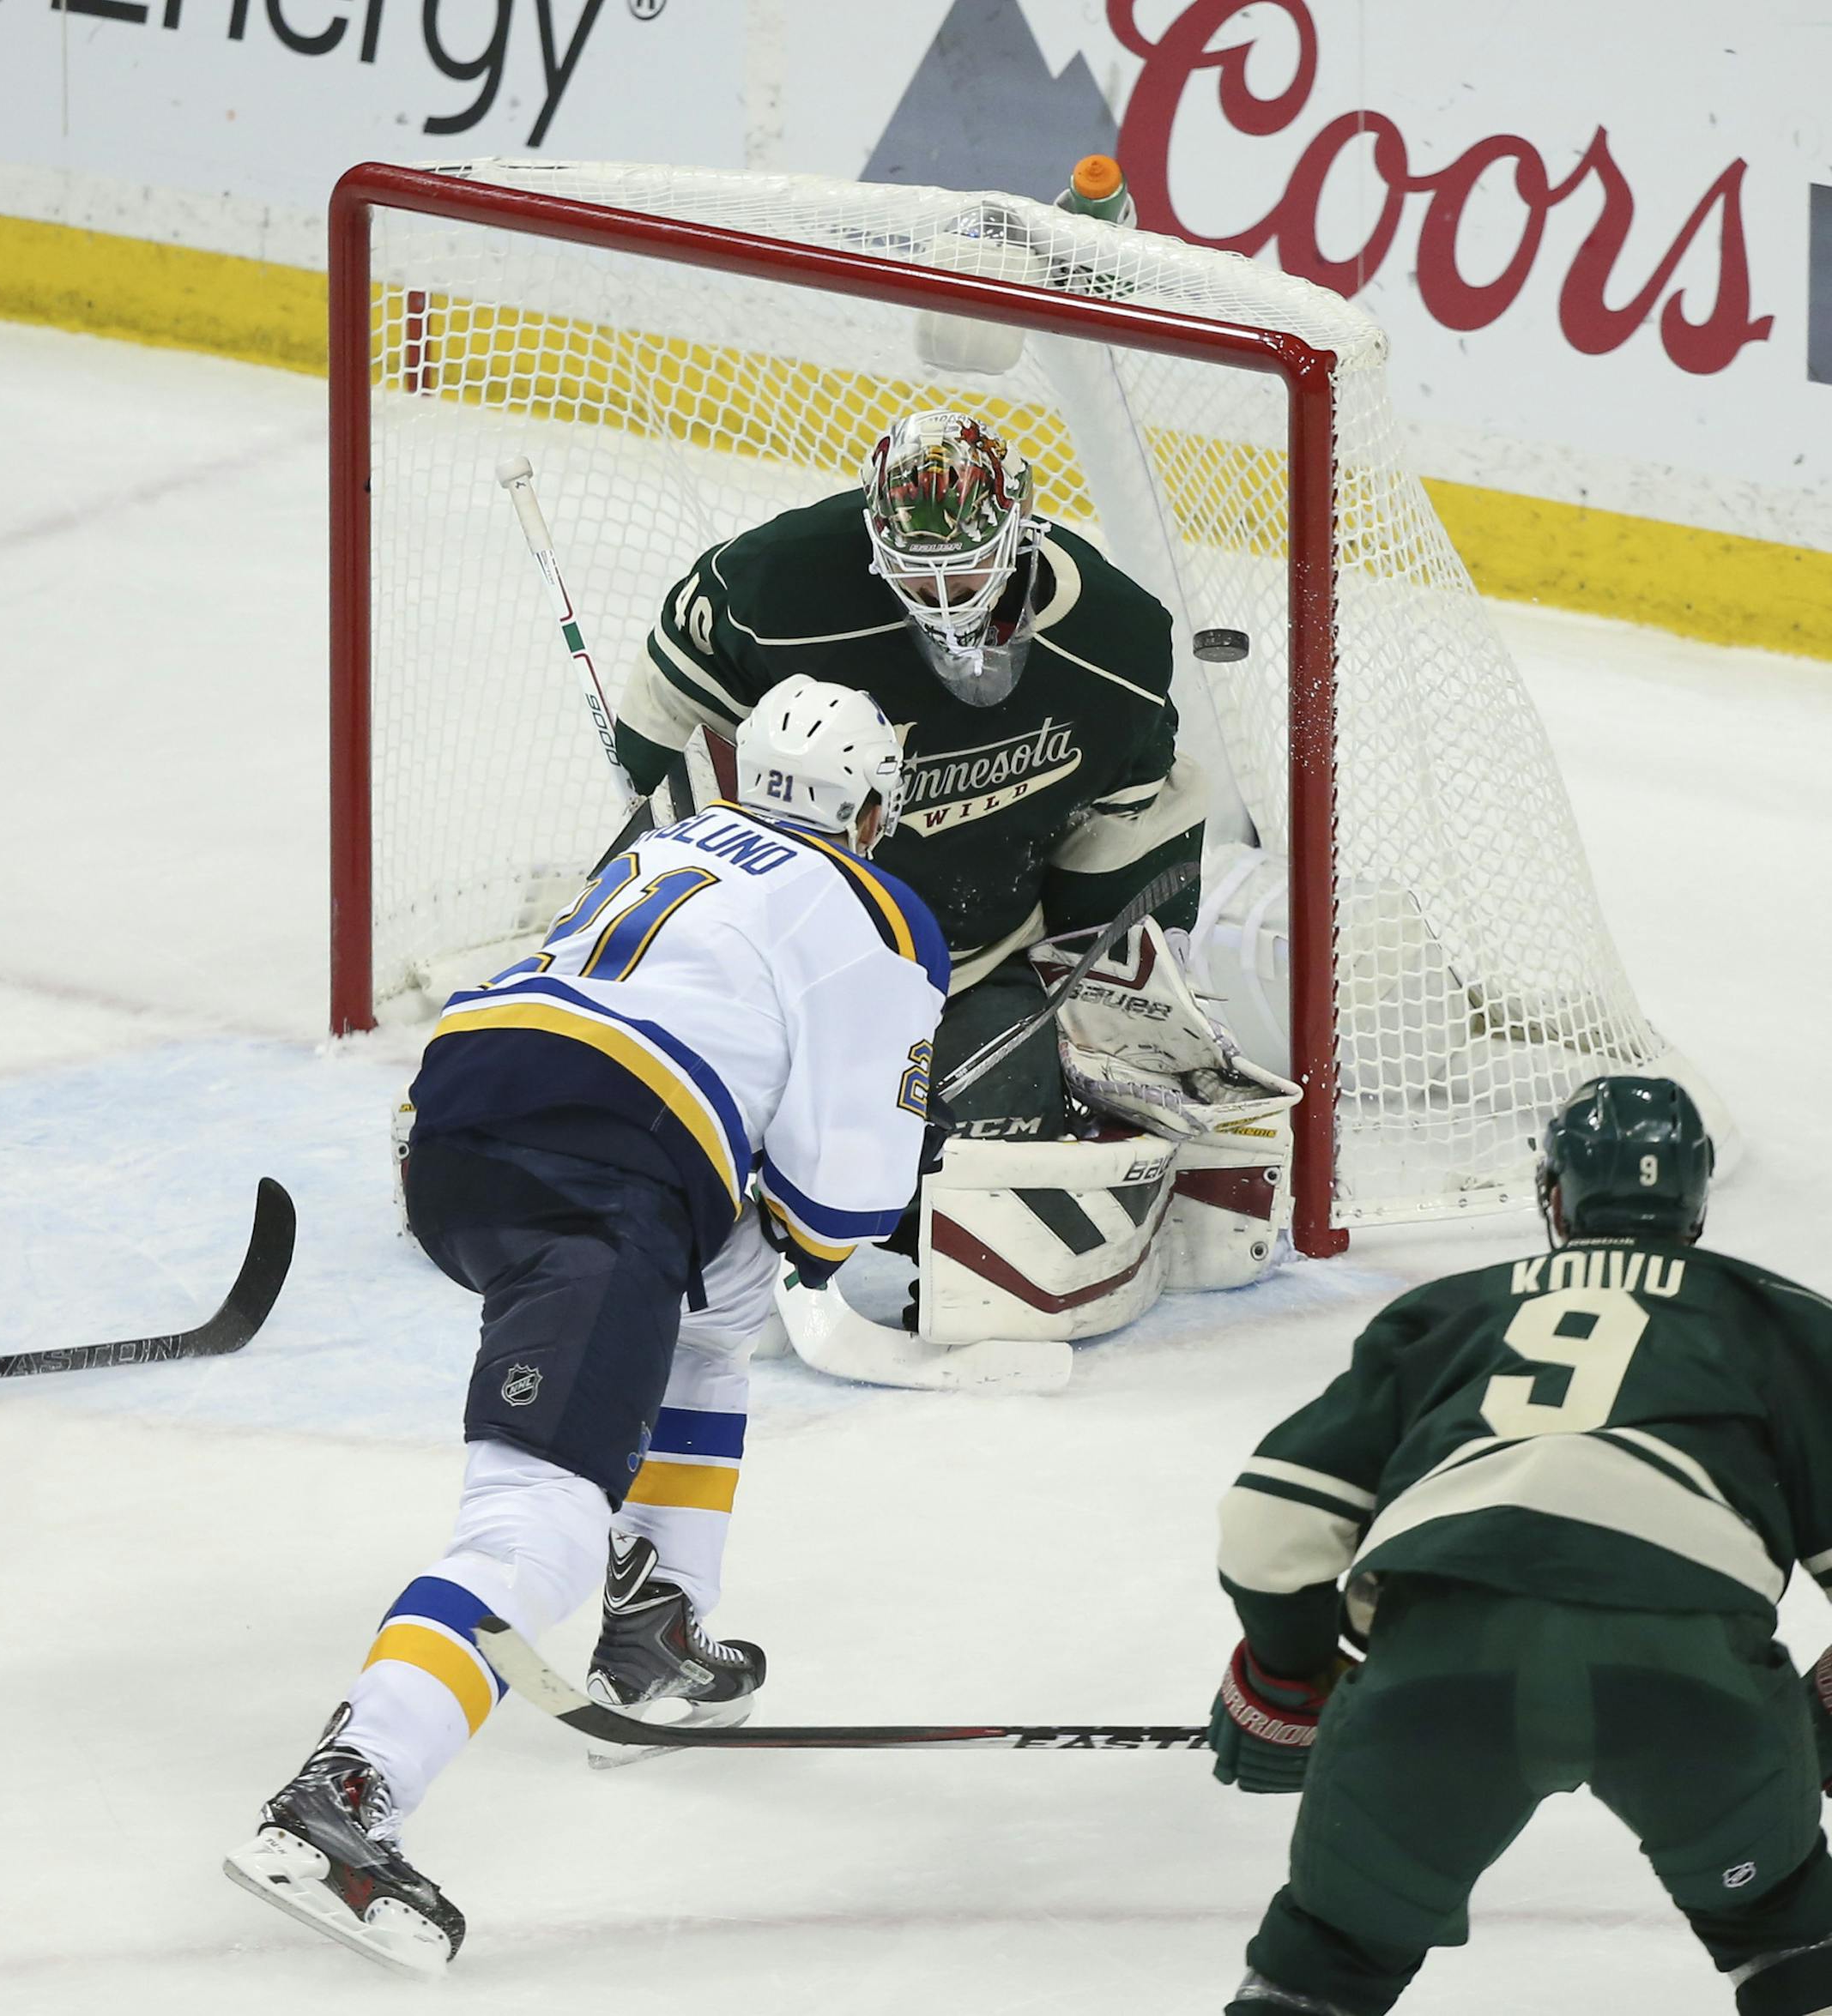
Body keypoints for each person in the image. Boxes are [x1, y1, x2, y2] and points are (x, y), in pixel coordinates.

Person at [224, 677, 949, 1976]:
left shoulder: (669, 839)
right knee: (540, 1516)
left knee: (714, 1305)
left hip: (456, 1116)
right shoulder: (876, 907)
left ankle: (657, 1622)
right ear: (875, 802)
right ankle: (344, 1793)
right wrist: (803, 1210)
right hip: (600, 1161)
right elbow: (843, 1202)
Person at [1209, 1075, 1832, 2016]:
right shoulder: (1779, 1318)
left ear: (1553, 1192)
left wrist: (1292, 1676)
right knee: (1800, 1945)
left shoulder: (1449, 1313)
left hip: (1438, 1668)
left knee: (1321, 1970)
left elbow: (1271, 1524)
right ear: (1698, 1198)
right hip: (1693, 1670)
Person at [614, 405, 1207, 1146]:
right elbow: (678, 701)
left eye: (966, 565)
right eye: (916, 575)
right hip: (777, 955)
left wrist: (1108, 999)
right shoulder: (783, 581)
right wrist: (664, 878)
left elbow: (1128, 825)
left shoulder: (1116, 641)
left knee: (989, 1148)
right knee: (668, 1120)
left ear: (1021, 528)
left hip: (975, 963)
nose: (944, 597)